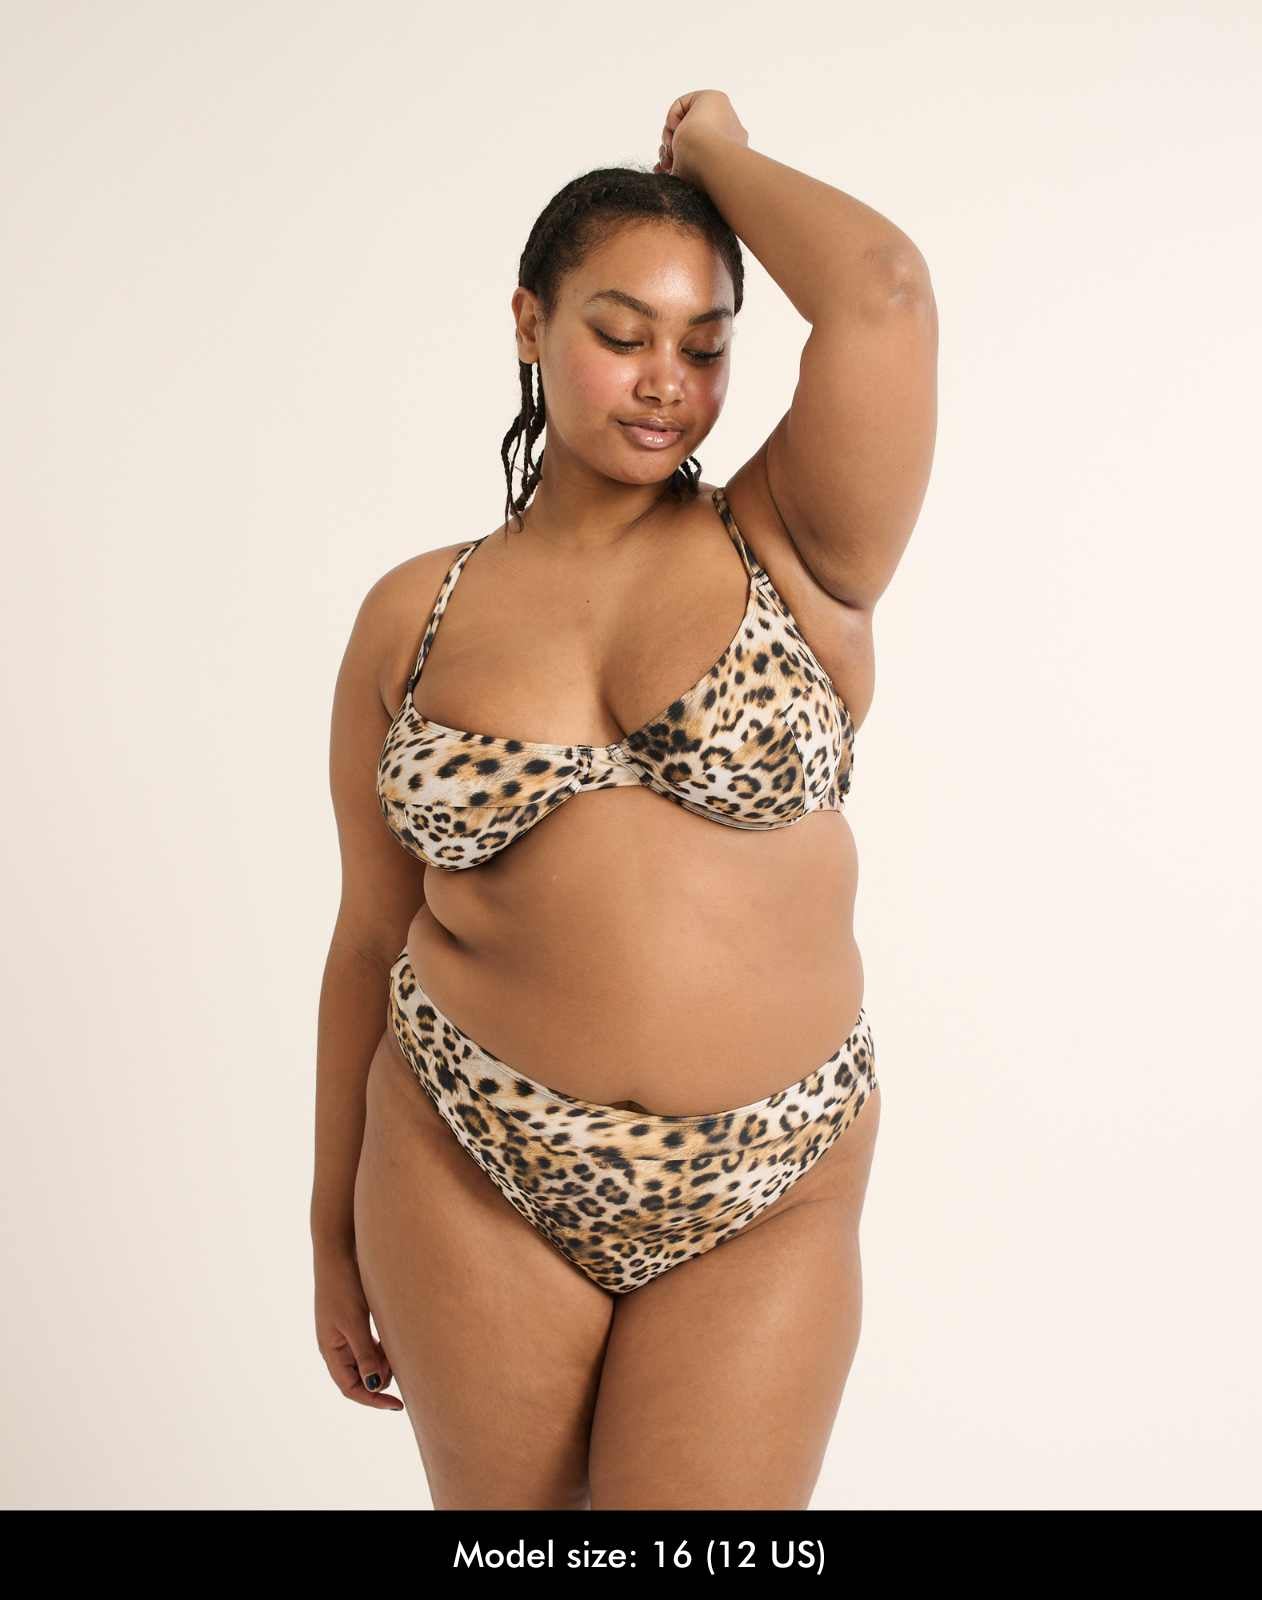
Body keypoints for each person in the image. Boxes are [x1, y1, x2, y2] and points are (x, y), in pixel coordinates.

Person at [311, 88, 938, 1510]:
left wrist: (711, 153)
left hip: (767, 1181)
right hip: (468, 1153)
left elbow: (885, 294)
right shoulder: (414, 614)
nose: (667, 381)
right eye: (622, 334)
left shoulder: (798, 545)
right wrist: (327, 1233)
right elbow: (367, 937)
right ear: (530, 324)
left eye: (705, 347)